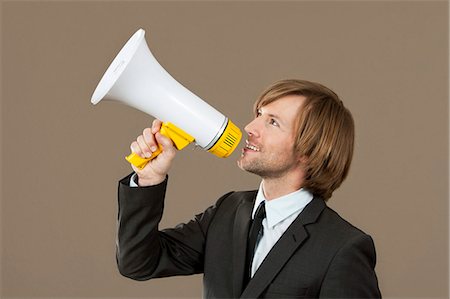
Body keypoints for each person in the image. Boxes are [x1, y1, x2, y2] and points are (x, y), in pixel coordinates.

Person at [116, 79, 381, 298]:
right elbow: (138, 262)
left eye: (273, 122)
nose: (250, 127)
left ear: (309, 151)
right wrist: (149, 178)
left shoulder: (343, 248)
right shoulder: (228, 210)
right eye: (258, 115)